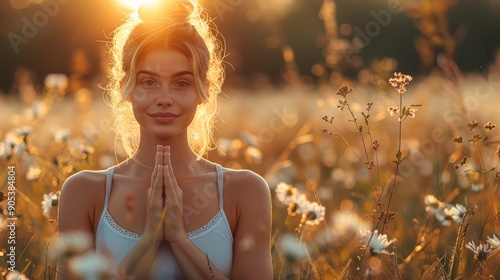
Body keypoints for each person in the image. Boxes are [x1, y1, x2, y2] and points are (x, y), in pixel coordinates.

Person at [57, 0, 272, 279]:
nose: (164, 99)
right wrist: (147, 242)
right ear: (126, 88)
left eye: (181, 83)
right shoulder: (83, 192)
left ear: (203, 91)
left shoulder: (245, 191)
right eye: (148, 82)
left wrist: (179, 240)